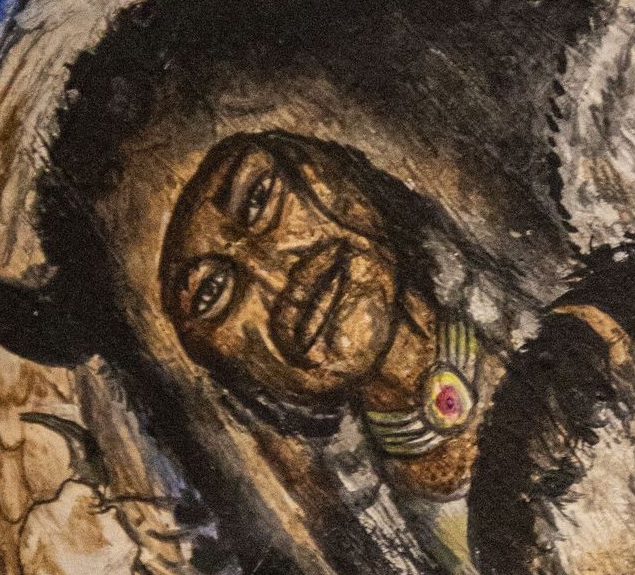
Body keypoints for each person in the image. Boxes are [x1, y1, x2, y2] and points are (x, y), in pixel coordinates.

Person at [161, 128, 499, 501]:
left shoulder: (530, 292)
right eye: (212, 291)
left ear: (339, 173)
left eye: (258, 199)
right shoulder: (358, 504)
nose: (275, 275)